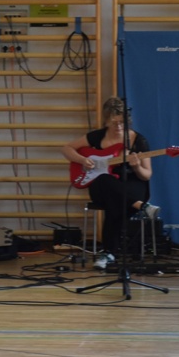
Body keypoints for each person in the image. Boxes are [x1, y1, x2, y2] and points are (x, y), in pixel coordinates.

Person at [62, 97, 159, 270]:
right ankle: (141, 206)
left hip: (132, 184)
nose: (119, 127)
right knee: (104, 180)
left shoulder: (138, 141)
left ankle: (108, 253)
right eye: (114, 123)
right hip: (103, 186)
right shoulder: (97, 136)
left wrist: (136, 166)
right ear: (106, 121)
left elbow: (146, 175)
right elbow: (66, 148)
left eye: (122, 122)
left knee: (115, 204)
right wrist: (82, 160)